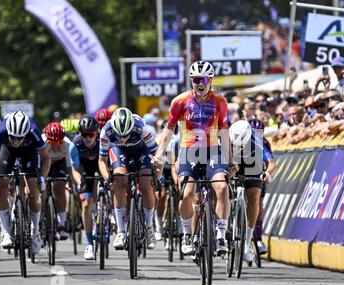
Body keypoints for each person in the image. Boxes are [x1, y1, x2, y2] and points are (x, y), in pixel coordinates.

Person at [152, 60, 233, 256]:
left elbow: (223, 132)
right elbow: (169, 129)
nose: (200, 83)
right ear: (191, 80)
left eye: (204, 79)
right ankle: (187, 234)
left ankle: (221, 234)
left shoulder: (219, 102)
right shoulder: (179, 101)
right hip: (188, 151)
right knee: (187, 194)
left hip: (213, 150)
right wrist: (160, 154)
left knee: (221, 188)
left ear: (210, 80)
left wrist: (231, 160)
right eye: (196, 79)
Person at [0, 111, 51, 254]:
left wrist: (42, 178)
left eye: (19, 138)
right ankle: (6, 232)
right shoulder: (0, 133)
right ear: (8, 132)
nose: (16, 141)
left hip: (28, 151)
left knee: (34, 188)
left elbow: (46, 159)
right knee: (2, 184)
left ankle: (35, 234)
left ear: (25, 134)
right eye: (13, 137)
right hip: (7, 151)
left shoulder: (33, 132)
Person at [98, 107, 158, 250]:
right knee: (119, 180)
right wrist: (107, 178)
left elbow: (157, 155)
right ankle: (121, 231)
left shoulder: (142, 128)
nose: (122, 138)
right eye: (119, 135)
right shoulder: (106, 131)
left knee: (146, 184)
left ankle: (149, 227)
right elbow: (101, 160)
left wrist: (157, 174)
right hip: (119, 150)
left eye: (126, 135)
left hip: (141, 150)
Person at [230, 120, 275, 262]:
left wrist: (267, 173)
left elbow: (271, 163)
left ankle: (247, 242)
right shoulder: (225, 137)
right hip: (233, 163)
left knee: (255, 195)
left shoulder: (258, 140)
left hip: (253, 165)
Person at [69, 115, 100, 260]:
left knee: (109, 186)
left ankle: (107, 216)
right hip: (84, 169)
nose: (88, 138)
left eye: (91, 134)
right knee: (86, 204)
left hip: (100, 165)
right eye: (84, 135)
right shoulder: (74, 144)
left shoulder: (103, 141)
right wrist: (79, 180)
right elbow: (75, 169)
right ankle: (89, 244)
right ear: (79, 134)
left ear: (97, 133)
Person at [42, 122, 72, 240]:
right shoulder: (41, 142)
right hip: (44, 162)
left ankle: (61, 224)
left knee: (59, 187)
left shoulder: (68, 145)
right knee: (41, 190)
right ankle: (40, 220)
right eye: (52, 142)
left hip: (59, 163)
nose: (54, 145)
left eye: (57, 142)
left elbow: (70, 167)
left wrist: (70, 182)